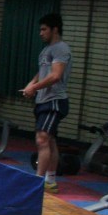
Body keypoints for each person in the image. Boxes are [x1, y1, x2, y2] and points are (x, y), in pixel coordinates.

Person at [21, 12, 72, 193]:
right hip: (43, 100)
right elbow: (43, 71)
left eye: (44, 29)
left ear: (54, 29)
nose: (40, 33)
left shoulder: (61, 48)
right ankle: (50, 181)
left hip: (54, 101)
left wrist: (35, 88)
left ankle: (38, 181)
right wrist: (31, 83)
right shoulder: (46, 50)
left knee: (42, 139)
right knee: (49, 141)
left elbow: (56, 75)